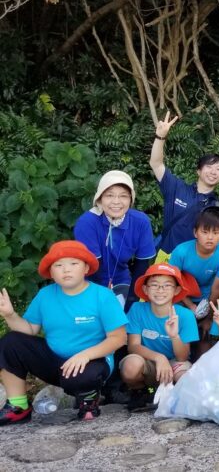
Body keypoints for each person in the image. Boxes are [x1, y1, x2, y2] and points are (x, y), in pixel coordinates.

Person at [0, 241, 127, 424]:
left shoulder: (102, 296)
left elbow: (118, 338)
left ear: (85, 268)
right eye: (58, 265)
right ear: (51, 273)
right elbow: (29, 330)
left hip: (92, 362)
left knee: (85, 375)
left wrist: (84, 355)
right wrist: (10, 315)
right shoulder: (45, 295)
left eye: (73, 264)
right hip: (54, 361)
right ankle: (18, 406)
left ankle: (89, 400)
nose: (66, 270)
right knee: (11, 342)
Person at [149, 111, 219, 260]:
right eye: (209, 167)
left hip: (198, 261)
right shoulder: (176, 188)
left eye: (218, 169)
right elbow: (156, 163)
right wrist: (160, 137)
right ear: (198, 171)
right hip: (168, 255)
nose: (213, 172)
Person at [120, 263, 198, 410]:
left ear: (177, 290)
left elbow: (182, 357)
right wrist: (159, 358)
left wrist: (174, 336)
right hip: (148, 361)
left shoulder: (185, 315)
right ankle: (141, 391)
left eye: (167, 285)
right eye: (154, 285)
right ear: (145, 289)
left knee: (184, 376)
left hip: (175, 363)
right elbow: (133, 346)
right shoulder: (137, 309)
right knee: (130, 366)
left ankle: (176, 396)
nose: (160, 290)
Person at [73, 170, 155, 296]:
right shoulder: (87, 222)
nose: (116, 202)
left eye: (123, 196)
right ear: (99, 199)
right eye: (109, 195)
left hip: (121, 279)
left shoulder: (140, 221)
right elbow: (93, 267)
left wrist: (132, 298)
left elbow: (142, 265)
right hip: (89, 281)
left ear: (131, 199)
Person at [168, 207, 219, 352]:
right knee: (180, 335)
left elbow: (217, 288)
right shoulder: (181, 251)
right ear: (195, 232)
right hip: (180, 298)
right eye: (205, 232)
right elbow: (173, 283)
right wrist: (189, 305)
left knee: (204, 343)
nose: (210, 237)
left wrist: (209, 317)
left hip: (207, 300)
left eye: (215, 233)